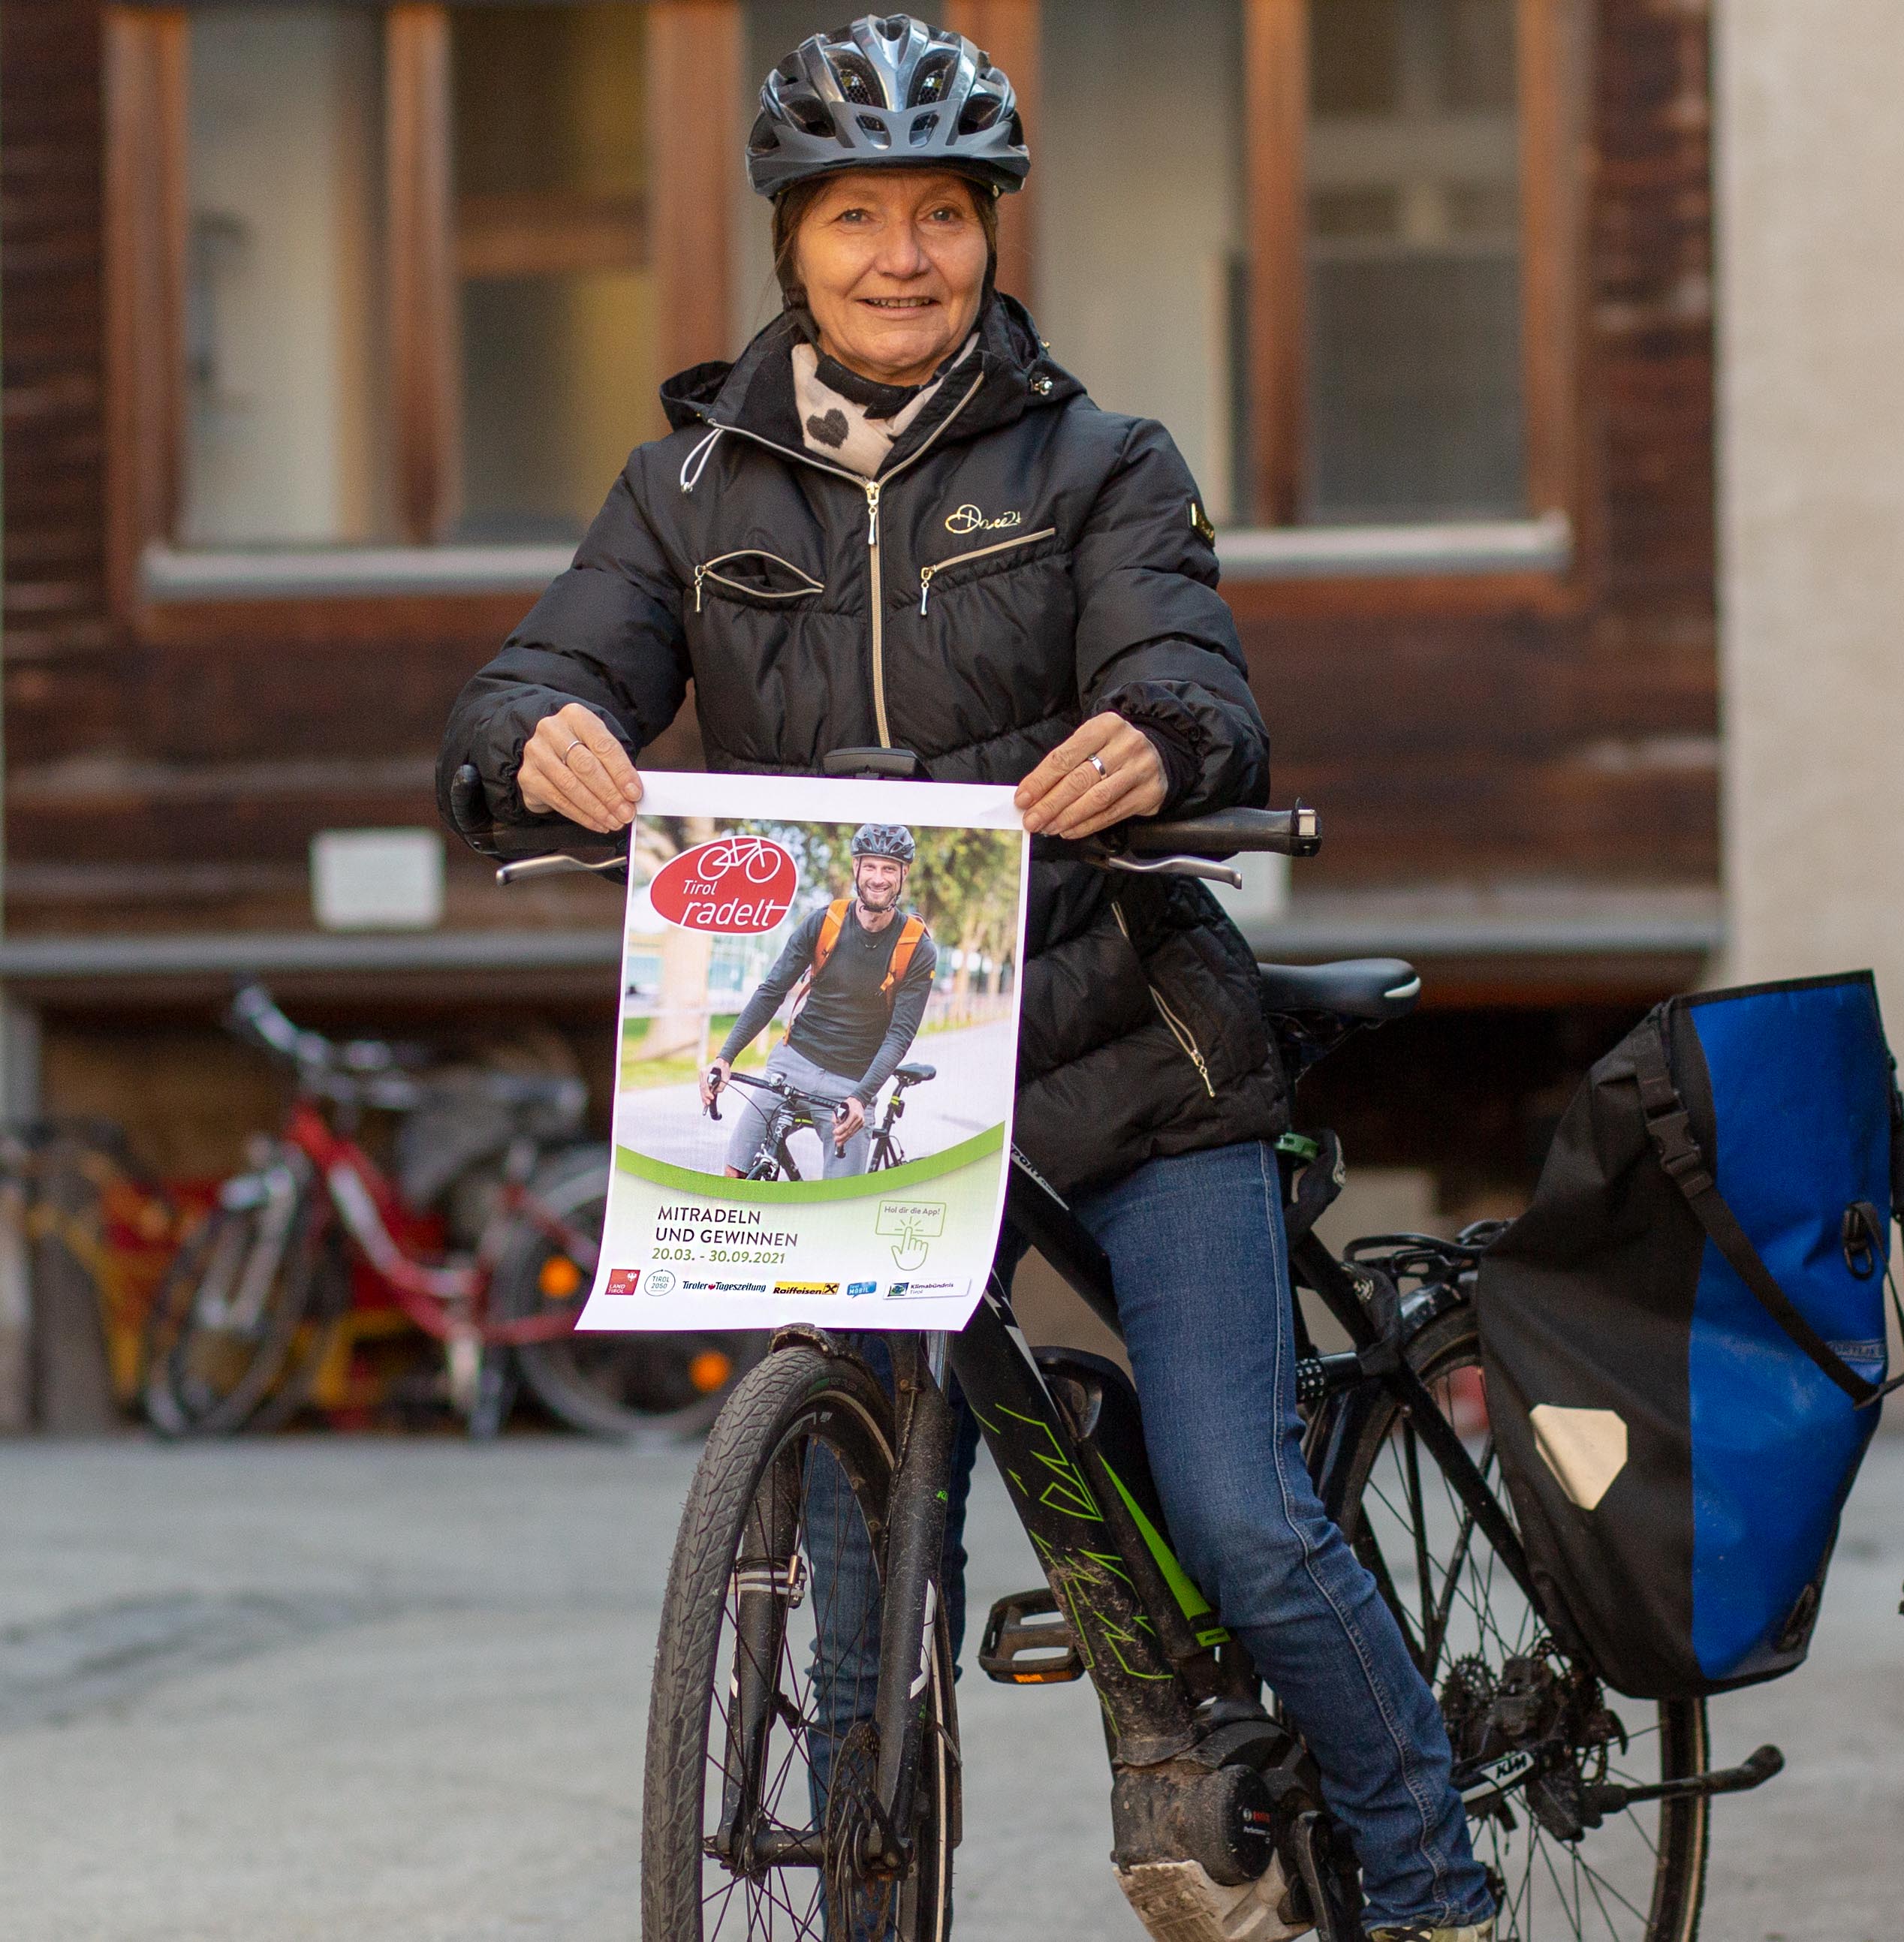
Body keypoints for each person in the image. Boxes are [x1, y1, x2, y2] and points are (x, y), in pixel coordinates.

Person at [433, 18, 1494, 1939]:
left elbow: (1192, 680)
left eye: (942, 212)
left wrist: (1159, 742)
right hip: (854, 1088)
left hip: (1123, 1054)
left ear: (992, 235)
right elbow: (540, 671)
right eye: (859, 215)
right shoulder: (683, 491)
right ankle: (860, 1899)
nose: (902, 254)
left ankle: (1431, 1889)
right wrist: (540, 740)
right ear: (793, 242)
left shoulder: (1098, 460)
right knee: (856, 1556)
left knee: (1246, 1517)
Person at [704, 820, 934, 1177]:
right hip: (792, 1065)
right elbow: (771, 991)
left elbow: (900, 1034)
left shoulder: (917, 946)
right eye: (870, 865)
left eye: (889, 868)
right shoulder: (823, 922)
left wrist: (862, 1095)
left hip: (852, 1082)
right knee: (736, 1173)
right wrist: (724, 1057)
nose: (878, 878)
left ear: (904, 873)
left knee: (841, 1206)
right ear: (856, 867)